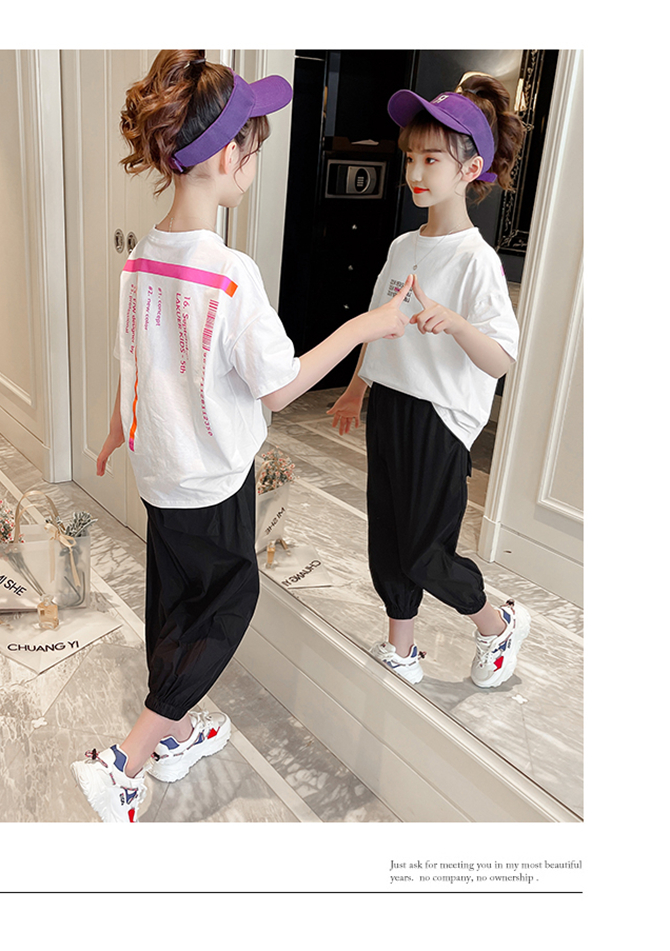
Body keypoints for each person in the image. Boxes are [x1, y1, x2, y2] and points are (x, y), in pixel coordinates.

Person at [71, 50, 412, 822]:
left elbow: (132, 358)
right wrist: (366, 325)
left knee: (176, 599)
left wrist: (114, 432)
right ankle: (125, 760)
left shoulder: (139, 258)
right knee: (229, 597)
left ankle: (177, 732)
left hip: (160, 474)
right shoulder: (230, 273)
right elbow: (281, 386)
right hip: (214, 480)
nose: (252, 162)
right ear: (230, 157)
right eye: (253, 148)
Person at [328, 75, 529, 691]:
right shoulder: (401, 247)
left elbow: (500, 360)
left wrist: (458, 323)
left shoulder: (477, 260)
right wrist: (358, 387)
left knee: (425, 550)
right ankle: (402, 646)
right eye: (411, 157)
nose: (415, 171)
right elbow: (378, 323)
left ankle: (496, 622)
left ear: (470, 169)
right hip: (391, 404)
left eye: (432, 159)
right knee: (387, 538)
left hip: (440, 420)